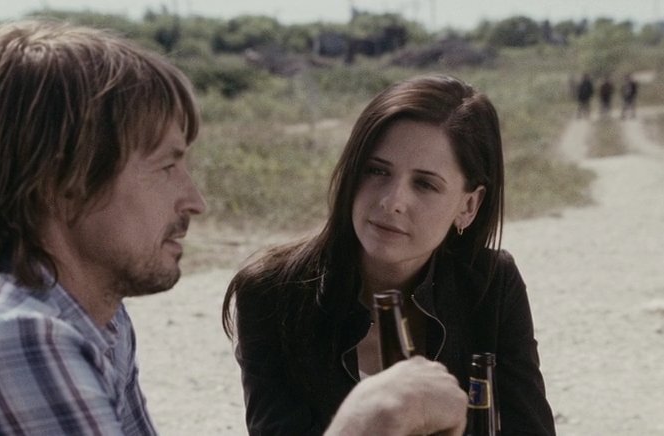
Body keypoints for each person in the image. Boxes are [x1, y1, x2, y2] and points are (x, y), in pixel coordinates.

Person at [0, 20, 466, 436]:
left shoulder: (83, 314)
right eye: (167, 165)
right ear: (63, 180)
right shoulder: (2, 336)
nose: (195, 199)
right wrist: (366, 422)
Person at [222, 74, 556, 435]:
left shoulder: (491, 284)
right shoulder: (272, 292)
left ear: (469, 206)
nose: (392, 201)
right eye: (376, 170)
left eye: (424, 184)